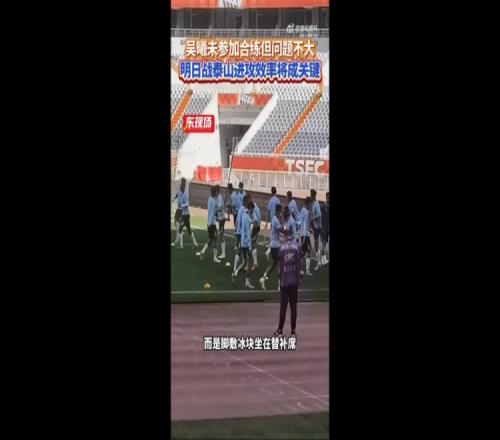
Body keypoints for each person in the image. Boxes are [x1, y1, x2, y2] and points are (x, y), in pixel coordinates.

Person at [273, 229, 301, 338]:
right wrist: (299, 278)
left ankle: (280, 330)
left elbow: (278, 263)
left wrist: (278, 278)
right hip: (294, 282)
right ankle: (293, 331)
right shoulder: (296, 247)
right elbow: (299, 263)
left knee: (283, 307)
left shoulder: (282, 248)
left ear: (284, 236)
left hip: (284, 282)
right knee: (294, 308)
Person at [259, 204, 284, 290]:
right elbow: (282, 230)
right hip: (275, 246)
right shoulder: (275, 220)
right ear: (278, 211)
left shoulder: (274, 219)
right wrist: (283, 223)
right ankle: (279, 284)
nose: (281, 213)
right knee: (279, 264)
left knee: (274, 264)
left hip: (274, 245)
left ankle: (263, 278)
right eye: (280, 211)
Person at [232, 202, 255, 289]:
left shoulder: (244, 216)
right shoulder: (247, 218)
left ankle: (235, 273)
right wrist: (250, 245)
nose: (253, 211)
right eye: (252, 209)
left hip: (242, 242)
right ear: (250, 208)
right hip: (246, 244)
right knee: (248, 262)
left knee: (245, 261)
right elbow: (248, 232)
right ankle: (247, 282)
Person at [198, 186, 221, 263]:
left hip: (209, 222)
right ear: (215, 193)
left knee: (211, 239)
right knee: (215, 239)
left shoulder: (210, 199)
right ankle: (214, 258)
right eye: (217, 192)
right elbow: (212, 213)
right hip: (212, 223)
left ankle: (203, 251)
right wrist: (210, 223)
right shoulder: (214, 202)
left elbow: (212, 211)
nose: (218, 193)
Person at [176, 178, 198, 249]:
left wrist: (181, 205)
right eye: (181, 184)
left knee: (180, 229)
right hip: (185, 215)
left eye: (182, 185)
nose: (181, 186)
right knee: (189, 230)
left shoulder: (185, 194)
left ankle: (181, 246)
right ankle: (195, 243)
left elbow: (187, 204)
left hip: (185, 215)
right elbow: (178, 196)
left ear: (183, 185)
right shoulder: (180, 192)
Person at [232, 194, 249, 274]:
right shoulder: (243, 210)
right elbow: (241, 221)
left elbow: (237, 220)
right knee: (240, 249)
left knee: (241, 249)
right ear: (246, 201)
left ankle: (240, 266)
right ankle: (236, 268)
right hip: (241, 233)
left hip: (239, 231)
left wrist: (236, 230)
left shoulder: (241, 209)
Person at [265, 187, 281, 260]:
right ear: (276, 192)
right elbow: (279, 210)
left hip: (272, 221)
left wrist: (266, 222)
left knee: (273, 237)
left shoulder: (270, 201)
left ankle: (270, 252)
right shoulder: (277, 200)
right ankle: (270, 252)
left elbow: (268, 212)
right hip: (276, 221)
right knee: (276, 238)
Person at [300, 197, 313, 276]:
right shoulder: (306, 211)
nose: (310, 205)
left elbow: (303, 222)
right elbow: (305, 223)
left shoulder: (302, 210)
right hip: (305, 234)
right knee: (307, 251)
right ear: (308, 202)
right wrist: (305, 234)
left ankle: (302, 269)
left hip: (304, 233)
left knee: (304, 251)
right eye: (310, 203)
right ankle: (305, 270)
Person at [310, 189, 322, 271]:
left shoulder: (316, 204)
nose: (310, 196)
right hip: (316, 226)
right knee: (316, 243)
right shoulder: (315, 203)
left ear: (313, 196)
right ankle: (319, 262)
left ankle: (318, 263)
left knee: (316, 244)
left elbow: (319, 215)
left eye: (311, 195)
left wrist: (312, 218)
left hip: (317, 227)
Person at [215, 185, 227, 259]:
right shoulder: (218, 198)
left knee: (222, 235)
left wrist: (214, 209)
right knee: (221, 234)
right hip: (220, 218)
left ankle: (223, 253)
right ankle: (223, 253)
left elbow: (219, 208)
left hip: (222, 219)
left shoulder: (219, 198)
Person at [250, 198, 261, 271]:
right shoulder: (256, 207)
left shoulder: (254, 212)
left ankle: (255, 263)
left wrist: (251, 221)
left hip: (255, 227)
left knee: (253, 245)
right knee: (253, 245)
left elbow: (256, 219)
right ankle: (255, 262)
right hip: (257, 227)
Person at [320, 192, 330, 265]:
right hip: (323, 228)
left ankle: (324, 258)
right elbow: (320, 216)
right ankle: (322, 259)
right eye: (328, 197)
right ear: (326, 197)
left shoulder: (329, 206)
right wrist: (321, 227)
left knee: (325, 243)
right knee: (323, 243)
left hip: (327, 228)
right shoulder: (323, 206)